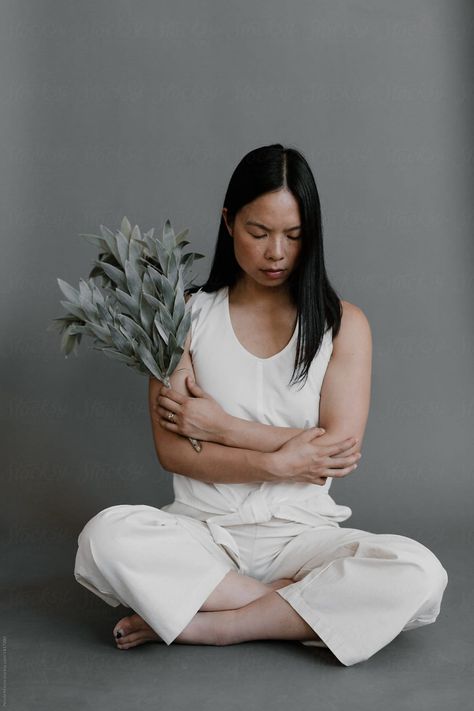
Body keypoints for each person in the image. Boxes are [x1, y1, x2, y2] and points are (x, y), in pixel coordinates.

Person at [74, 144, 448, 666]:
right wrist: (276, 461)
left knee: (422, 573)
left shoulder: (343, 325)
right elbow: (175, 453)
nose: (276, 252)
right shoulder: (180, 317)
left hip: (303, 539)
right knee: (103, 538)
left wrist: (223, 426)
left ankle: (217, 627)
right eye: (259, 232)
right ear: (229, 222)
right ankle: (295, 610)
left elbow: (337, 453)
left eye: (294, 236)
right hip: (203, 532)